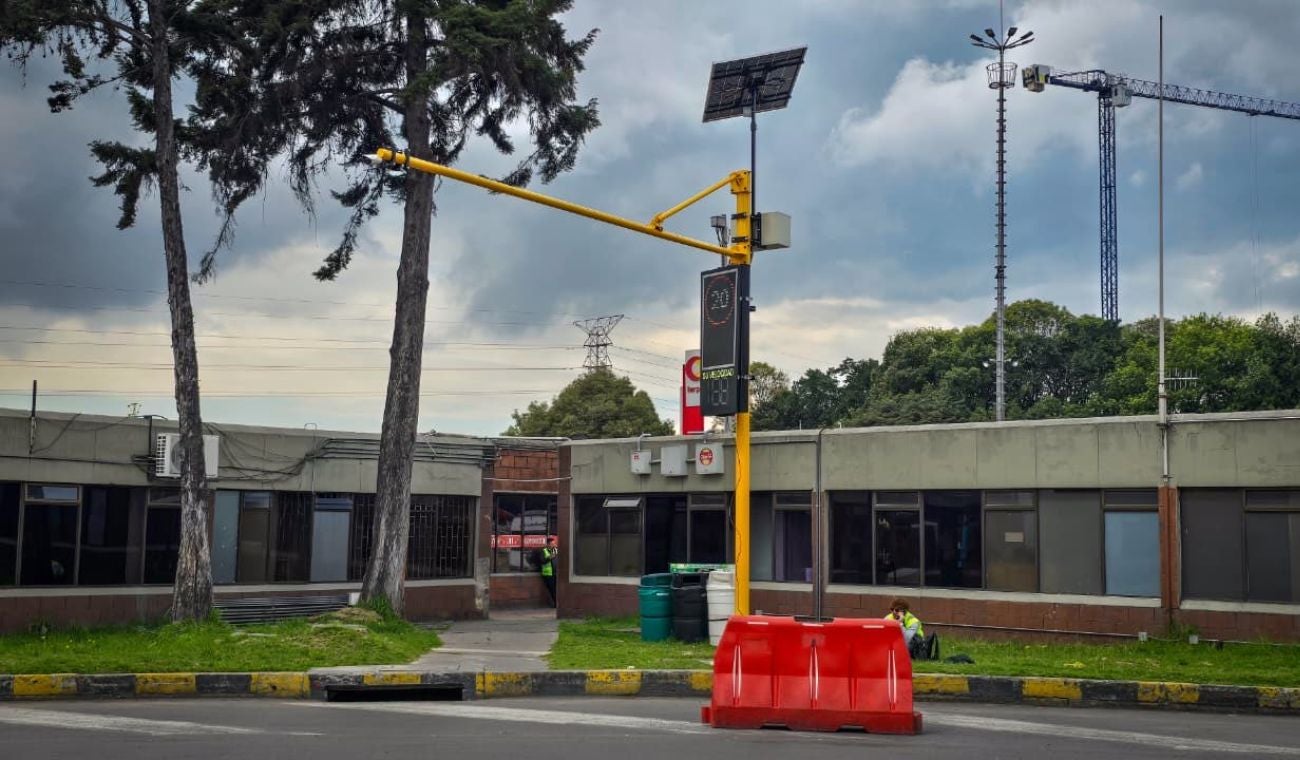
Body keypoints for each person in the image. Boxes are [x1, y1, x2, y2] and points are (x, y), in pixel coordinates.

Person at [539, 536, 558, 608]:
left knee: (556, 589)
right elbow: (542, 561)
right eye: (552, 544)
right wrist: (550, 557)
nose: (554, 545)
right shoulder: (543, 551)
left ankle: (557, 603)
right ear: (548, 544)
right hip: (548, 574)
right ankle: (556, 603)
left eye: (554, 543)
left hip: (555, 573)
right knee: (552, 589)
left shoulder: (555, 550)